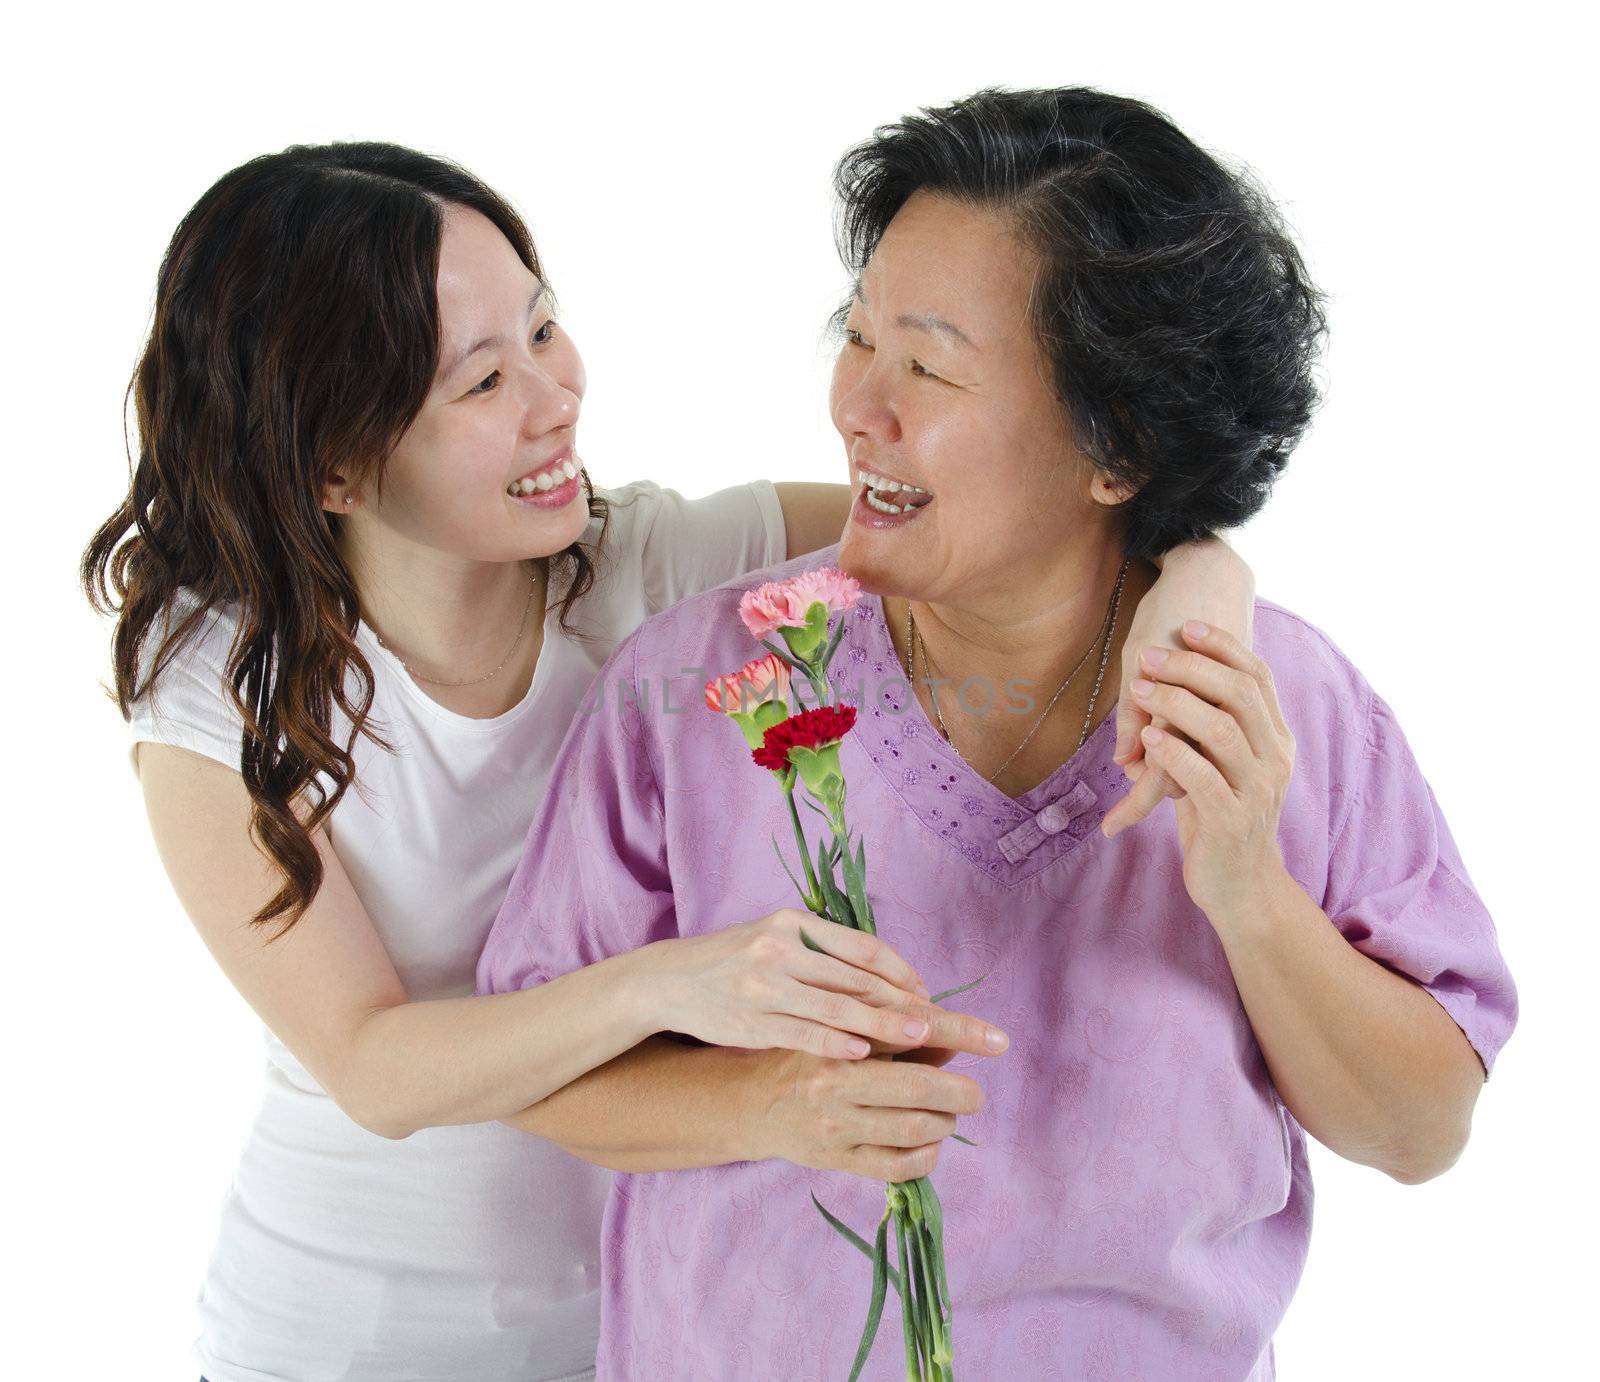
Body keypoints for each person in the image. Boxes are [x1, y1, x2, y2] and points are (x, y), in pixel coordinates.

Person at [83, 141, 1251, 1381]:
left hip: (651, 1332)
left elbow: (1027, 516)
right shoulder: (226, 687)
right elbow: (375, 1065)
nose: (555, 395)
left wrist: (1203, 584)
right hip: (343, 1338)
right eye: (484, 381)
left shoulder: (654, 562)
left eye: (544, 328)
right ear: (333, 462)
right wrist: (668, 986)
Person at [477, 87, 1519, 1380]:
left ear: (1118, 445)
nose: (861, 404)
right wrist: (768, 1103)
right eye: (859, 339)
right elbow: (532, 1060)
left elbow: (1422, 1133)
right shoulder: (695, 688)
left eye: (931, 363)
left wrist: (1246, 889)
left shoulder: (1285, 706)